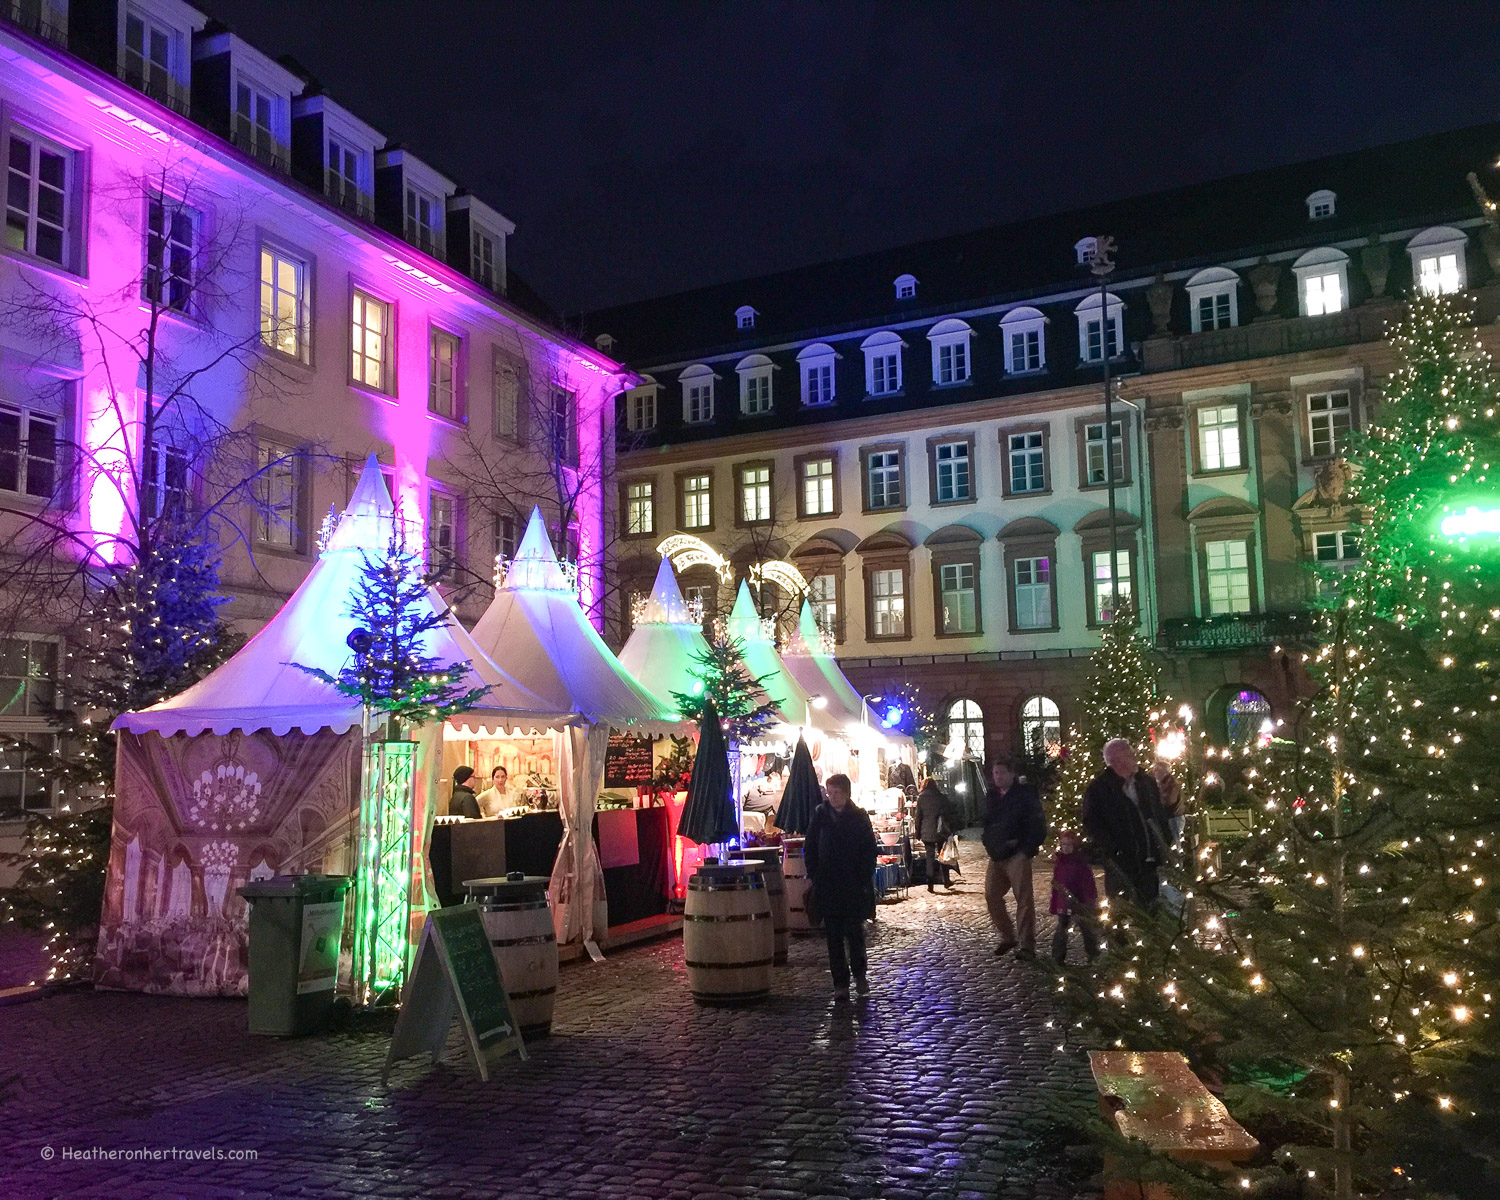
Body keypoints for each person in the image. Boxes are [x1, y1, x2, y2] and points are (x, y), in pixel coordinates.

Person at [804, 773, 878, 998]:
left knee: (855, 935)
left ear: (846, 793)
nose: (832, 796)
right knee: (834, 938)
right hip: (828, 885)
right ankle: (840, 984)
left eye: (836, 792)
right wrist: (815, 875)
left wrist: (863, 877)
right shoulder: (820, 816)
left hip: (852, 885)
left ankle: (860, 975)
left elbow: (869, 850)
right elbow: (811, 847)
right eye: (829, 792)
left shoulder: (858, 817)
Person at [1081, 738, 1171, 905]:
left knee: (1151, 909)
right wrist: (1114, 851)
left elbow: (1159, 814)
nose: (1135, 758)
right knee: (1122, 909)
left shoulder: (1146, 783)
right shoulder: (1099, 790)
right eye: (1129, 754)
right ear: (1116, 760)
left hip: (1149, 862)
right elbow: (1092, 825)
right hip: (1121, 866)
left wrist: (1163, 841)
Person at [982, 759, 1047, 958]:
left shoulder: (1024, 795)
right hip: (997, 853)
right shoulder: (992, 796)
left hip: (1018, 853)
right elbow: (987, 823)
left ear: (1012, 774)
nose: (998, 776)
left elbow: (1037, 823)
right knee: (991, 895)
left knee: (1023, 899)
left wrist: (1026, 848)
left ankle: (1027, 944)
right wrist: (990, 843)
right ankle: (1008, 936)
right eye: (995, 773)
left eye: (1001, 772)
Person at [1049, 829, 1101, 964]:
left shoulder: (1080, 863)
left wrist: (1088, 900)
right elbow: (1057, 884)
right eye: (1063, 844)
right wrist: (1056, 903)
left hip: (1080, 901)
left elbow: (1087, 883)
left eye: (1068, 845)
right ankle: (1057, 957)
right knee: (1062, 928)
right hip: (1064, 901)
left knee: (1086, 928)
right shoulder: (1059, 862)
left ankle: (1093, 954)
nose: (1065, 848)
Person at [914, 778, 953, 892]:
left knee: (929, 857)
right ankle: (946, 880)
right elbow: (948, 814)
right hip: (940, 830)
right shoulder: (941, 797)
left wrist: (917, 833)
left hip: (927, 830)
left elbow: (918, 817)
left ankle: (930, 883)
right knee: (943, 855)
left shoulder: (921, 798)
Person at [1152, 759, 1187, 846]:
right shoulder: (1160, 784)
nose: (1154, 772)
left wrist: (1158, 796)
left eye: (1157, 770)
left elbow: (1170, 800)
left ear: (1164, 771)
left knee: (1174, 846)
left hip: (1174, 819)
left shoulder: (1172, 784)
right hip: (1167, 818)